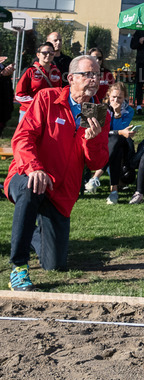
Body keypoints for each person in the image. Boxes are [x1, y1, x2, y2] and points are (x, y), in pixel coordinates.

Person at [5, 55, 109, 289]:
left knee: (55, 264)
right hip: (28, 174)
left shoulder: (98, 112)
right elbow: (23, 137)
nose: (94, 79)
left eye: (97, 75)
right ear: (71, 78)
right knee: (31, 190)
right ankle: (19, 267)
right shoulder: (47, 98)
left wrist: (92, 142)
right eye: (88, 74)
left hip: (61, 193)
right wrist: (35, 168)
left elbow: (97, 163)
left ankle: (28, 227)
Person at [85, 81, 135, 204]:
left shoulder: (128, 111)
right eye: (113, 97)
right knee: (115, 148)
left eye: (120, 97)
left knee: (117, 141)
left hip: (122, 143)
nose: (116, 100)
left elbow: (121, 129)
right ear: (108, 96)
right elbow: (104, 131)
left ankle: (96, 177)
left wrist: (117, 114)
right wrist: (118, 132)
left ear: (124, 98)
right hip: (106, 142)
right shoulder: (102, 108)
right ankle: (114, 191)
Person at [14, 43, 63, 122]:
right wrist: (37, 103)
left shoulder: (56, 72)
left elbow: (59, 92)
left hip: (49, 113)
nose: (48, 55)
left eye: (51, 53)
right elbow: (19, 94)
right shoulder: (30, 71)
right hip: (30, 112)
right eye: (44, 53)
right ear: (38, 55)